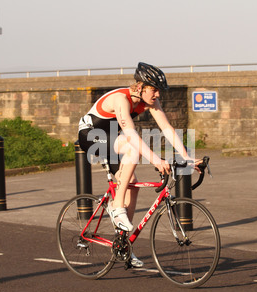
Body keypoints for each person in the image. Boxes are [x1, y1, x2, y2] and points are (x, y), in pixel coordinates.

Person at [78, 62, 200, 267]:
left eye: (158, 91)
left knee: (132, 184)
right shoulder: (121, 100)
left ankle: (123, 245)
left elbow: (167, 129)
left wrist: (187, 158)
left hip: (111, 140)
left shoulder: (149, 102)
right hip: (90, 136)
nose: (158, 95)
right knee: (133, 147)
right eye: (154, 90)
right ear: (140, 87)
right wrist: (156, 160)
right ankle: (117, 207)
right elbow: (132, 136)